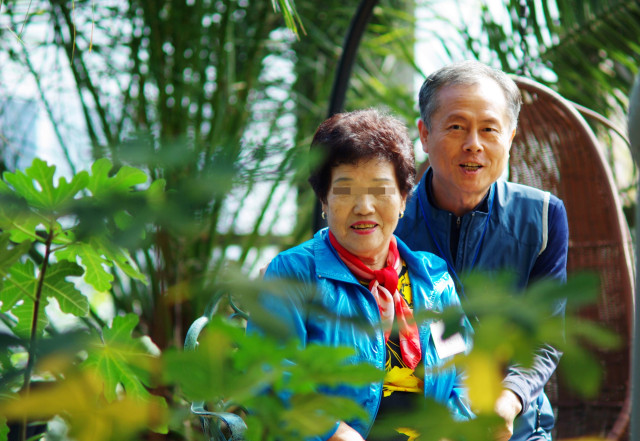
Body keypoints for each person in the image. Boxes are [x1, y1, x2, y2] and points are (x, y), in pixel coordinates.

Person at [249, 108, 473, 441]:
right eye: (345, 190)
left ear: (403, 199)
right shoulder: (294, 274)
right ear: (324, 201)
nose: (364, 207)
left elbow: (464, 375)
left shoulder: (434, 280)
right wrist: (334, 433)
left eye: (380, 190)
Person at [395, 60, 569, 441]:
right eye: (456, 127)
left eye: (489, 129)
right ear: (424, 135)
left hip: (514, 428)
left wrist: (509, 400)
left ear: (510, 137)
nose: (473, 144)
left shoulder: (543, 217)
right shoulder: (389, 221)